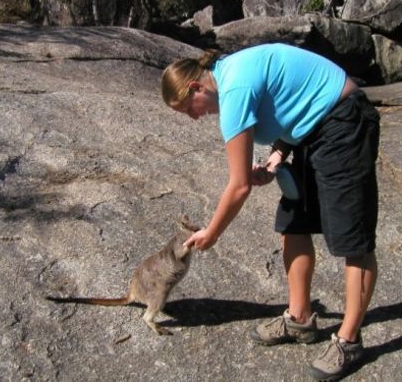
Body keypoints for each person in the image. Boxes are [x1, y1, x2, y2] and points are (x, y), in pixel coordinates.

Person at [161, 43, 380, 380]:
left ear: (196, 87)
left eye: (188, 108)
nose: (194, 117)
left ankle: (349, 340)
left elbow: (238, 186)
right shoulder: (229, 75)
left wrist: (212, 232)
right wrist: (276, 156)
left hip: (343, 122)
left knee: (353, 239)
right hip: (310, 130)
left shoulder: (234, 89)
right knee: (292, 223)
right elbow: (292, 98)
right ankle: (300, 319)